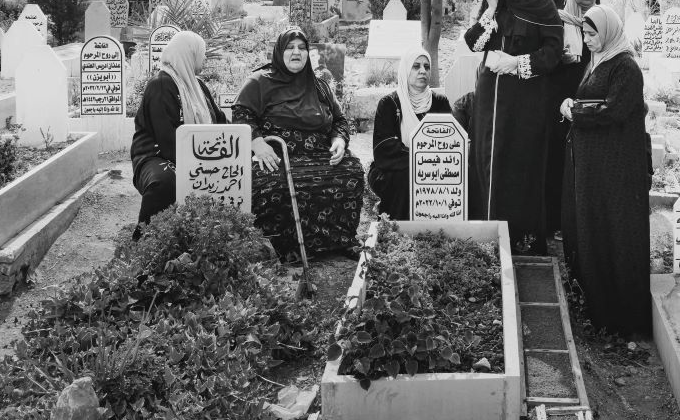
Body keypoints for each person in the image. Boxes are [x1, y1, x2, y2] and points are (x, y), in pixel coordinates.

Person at [234, 27, 365, 260]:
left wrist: (339, 140)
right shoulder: (259, 82)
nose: (297, 53)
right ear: (279, 52)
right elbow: (242, 114)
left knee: (351, 170)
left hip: (319, 154)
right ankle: (285, 249)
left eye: (302, 48)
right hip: (278, 156)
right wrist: (256, 142)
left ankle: (340, 241)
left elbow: (339, 119)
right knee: (270, 184)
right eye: (290, 47)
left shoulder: (319, 85)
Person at [464, 0, 564, 254]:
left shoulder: (541, 4)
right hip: (490, 99)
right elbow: (472, 43)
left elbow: (553, 52)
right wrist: (491, 8)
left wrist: (517, 63)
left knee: (519, 163)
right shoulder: (493, 4)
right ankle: (487, 234)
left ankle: (520, 238)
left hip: (525, 102)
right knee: (487, 158)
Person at [560, 4, 651, 336]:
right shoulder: (598, 60)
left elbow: (615, 110)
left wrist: (576, 114)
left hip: (615, 167)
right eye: (584, 33)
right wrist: (570, 104)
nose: (587, 39)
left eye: (592, 33)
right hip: (594, 163)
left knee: (615, 231)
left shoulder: (625, 67)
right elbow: (589, 99)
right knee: (593, 225)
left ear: (609, 32)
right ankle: (595, 304)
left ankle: (618, 315)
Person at [129, 30, 226, 234]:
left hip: (198, 156)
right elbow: (166, 138)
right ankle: (146, 241)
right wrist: (200, 164)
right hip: (155, 155)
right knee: (167, 183)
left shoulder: (198, 87)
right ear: (188, 54)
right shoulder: (161, 85)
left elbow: (221, 122)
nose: (205, 57)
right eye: (202, 52)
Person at [367, 46, 455, 220]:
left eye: (427, 67)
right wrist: (421, 158)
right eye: (416, 66)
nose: (423, 71)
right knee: (406, 177)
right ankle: (396, 232)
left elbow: (451, 141)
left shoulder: (440, 102)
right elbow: (385, 149)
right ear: (406, 69)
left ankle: (445, 228)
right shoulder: (390, 104)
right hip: (396, 168)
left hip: (436, 166)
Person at [545, 0, 598, 236]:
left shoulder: (603, 21)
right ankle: (558, 222)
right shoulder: (557, 20)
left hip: (592, 105)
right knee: (559, 163)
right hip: (560, 103)